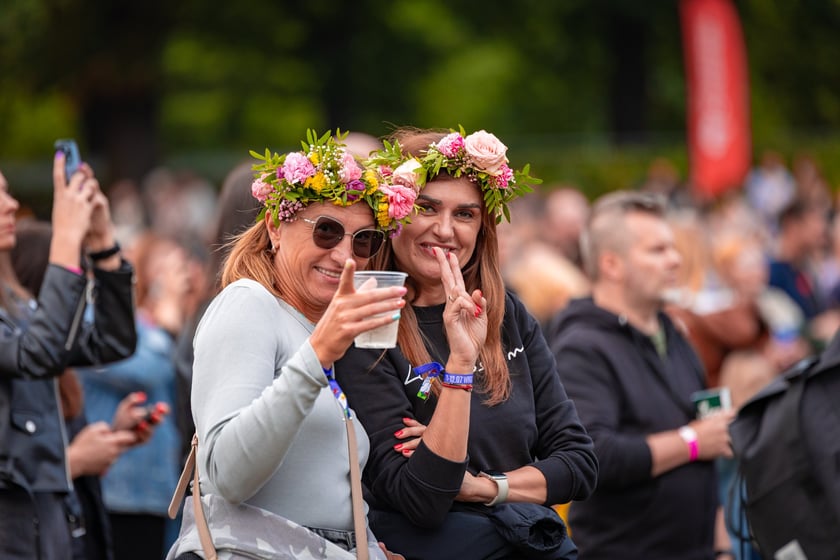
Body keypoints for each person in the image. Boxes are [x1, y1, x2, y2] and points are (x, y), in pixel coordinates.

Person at [335, 127, 598, 560]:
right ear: (393, 213)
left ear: (483, 227)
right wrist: (459, 362)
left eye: (465, 214)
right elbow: (422, 497)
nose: (444, 230)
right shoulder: (369, 325)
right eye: (426, 208)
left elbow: (580, 463)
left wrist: (482, 486)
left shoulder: (506, 314)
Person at [166, 130, 411, 560]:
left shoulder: (311, 328)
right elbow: (228, 473)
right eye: (327, 232)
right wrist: (316, 355)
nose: (345, 256)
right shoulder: (249, 303)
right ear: (276, 227)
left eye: (364, 240)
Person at [545, 191, 735, 560]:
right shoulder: (582, 347)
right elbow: (595, 455)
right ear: (612, 265)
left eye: (673, 248)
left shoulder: (673, 332)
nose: (676, 260)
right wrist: (691, 442)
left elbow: (708, 445)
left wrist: (722, 549)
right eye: (657, 250)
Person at [0, 155, 138, 560]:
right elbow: (38, 353)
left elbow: (110, 342)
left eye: (7, 191)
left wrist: (101, 242)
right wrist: (64, 237)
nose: (11, 205)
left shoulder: (15, 307)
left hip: (51, 528)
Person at [76, 231, 189, 560]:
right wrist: (166, 323)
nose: (177, 277)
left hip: (161, 491)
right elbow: (147, 371)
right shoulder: (97, 321)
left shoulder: (181, 325)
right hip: (119, 492)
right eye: (165, 268)